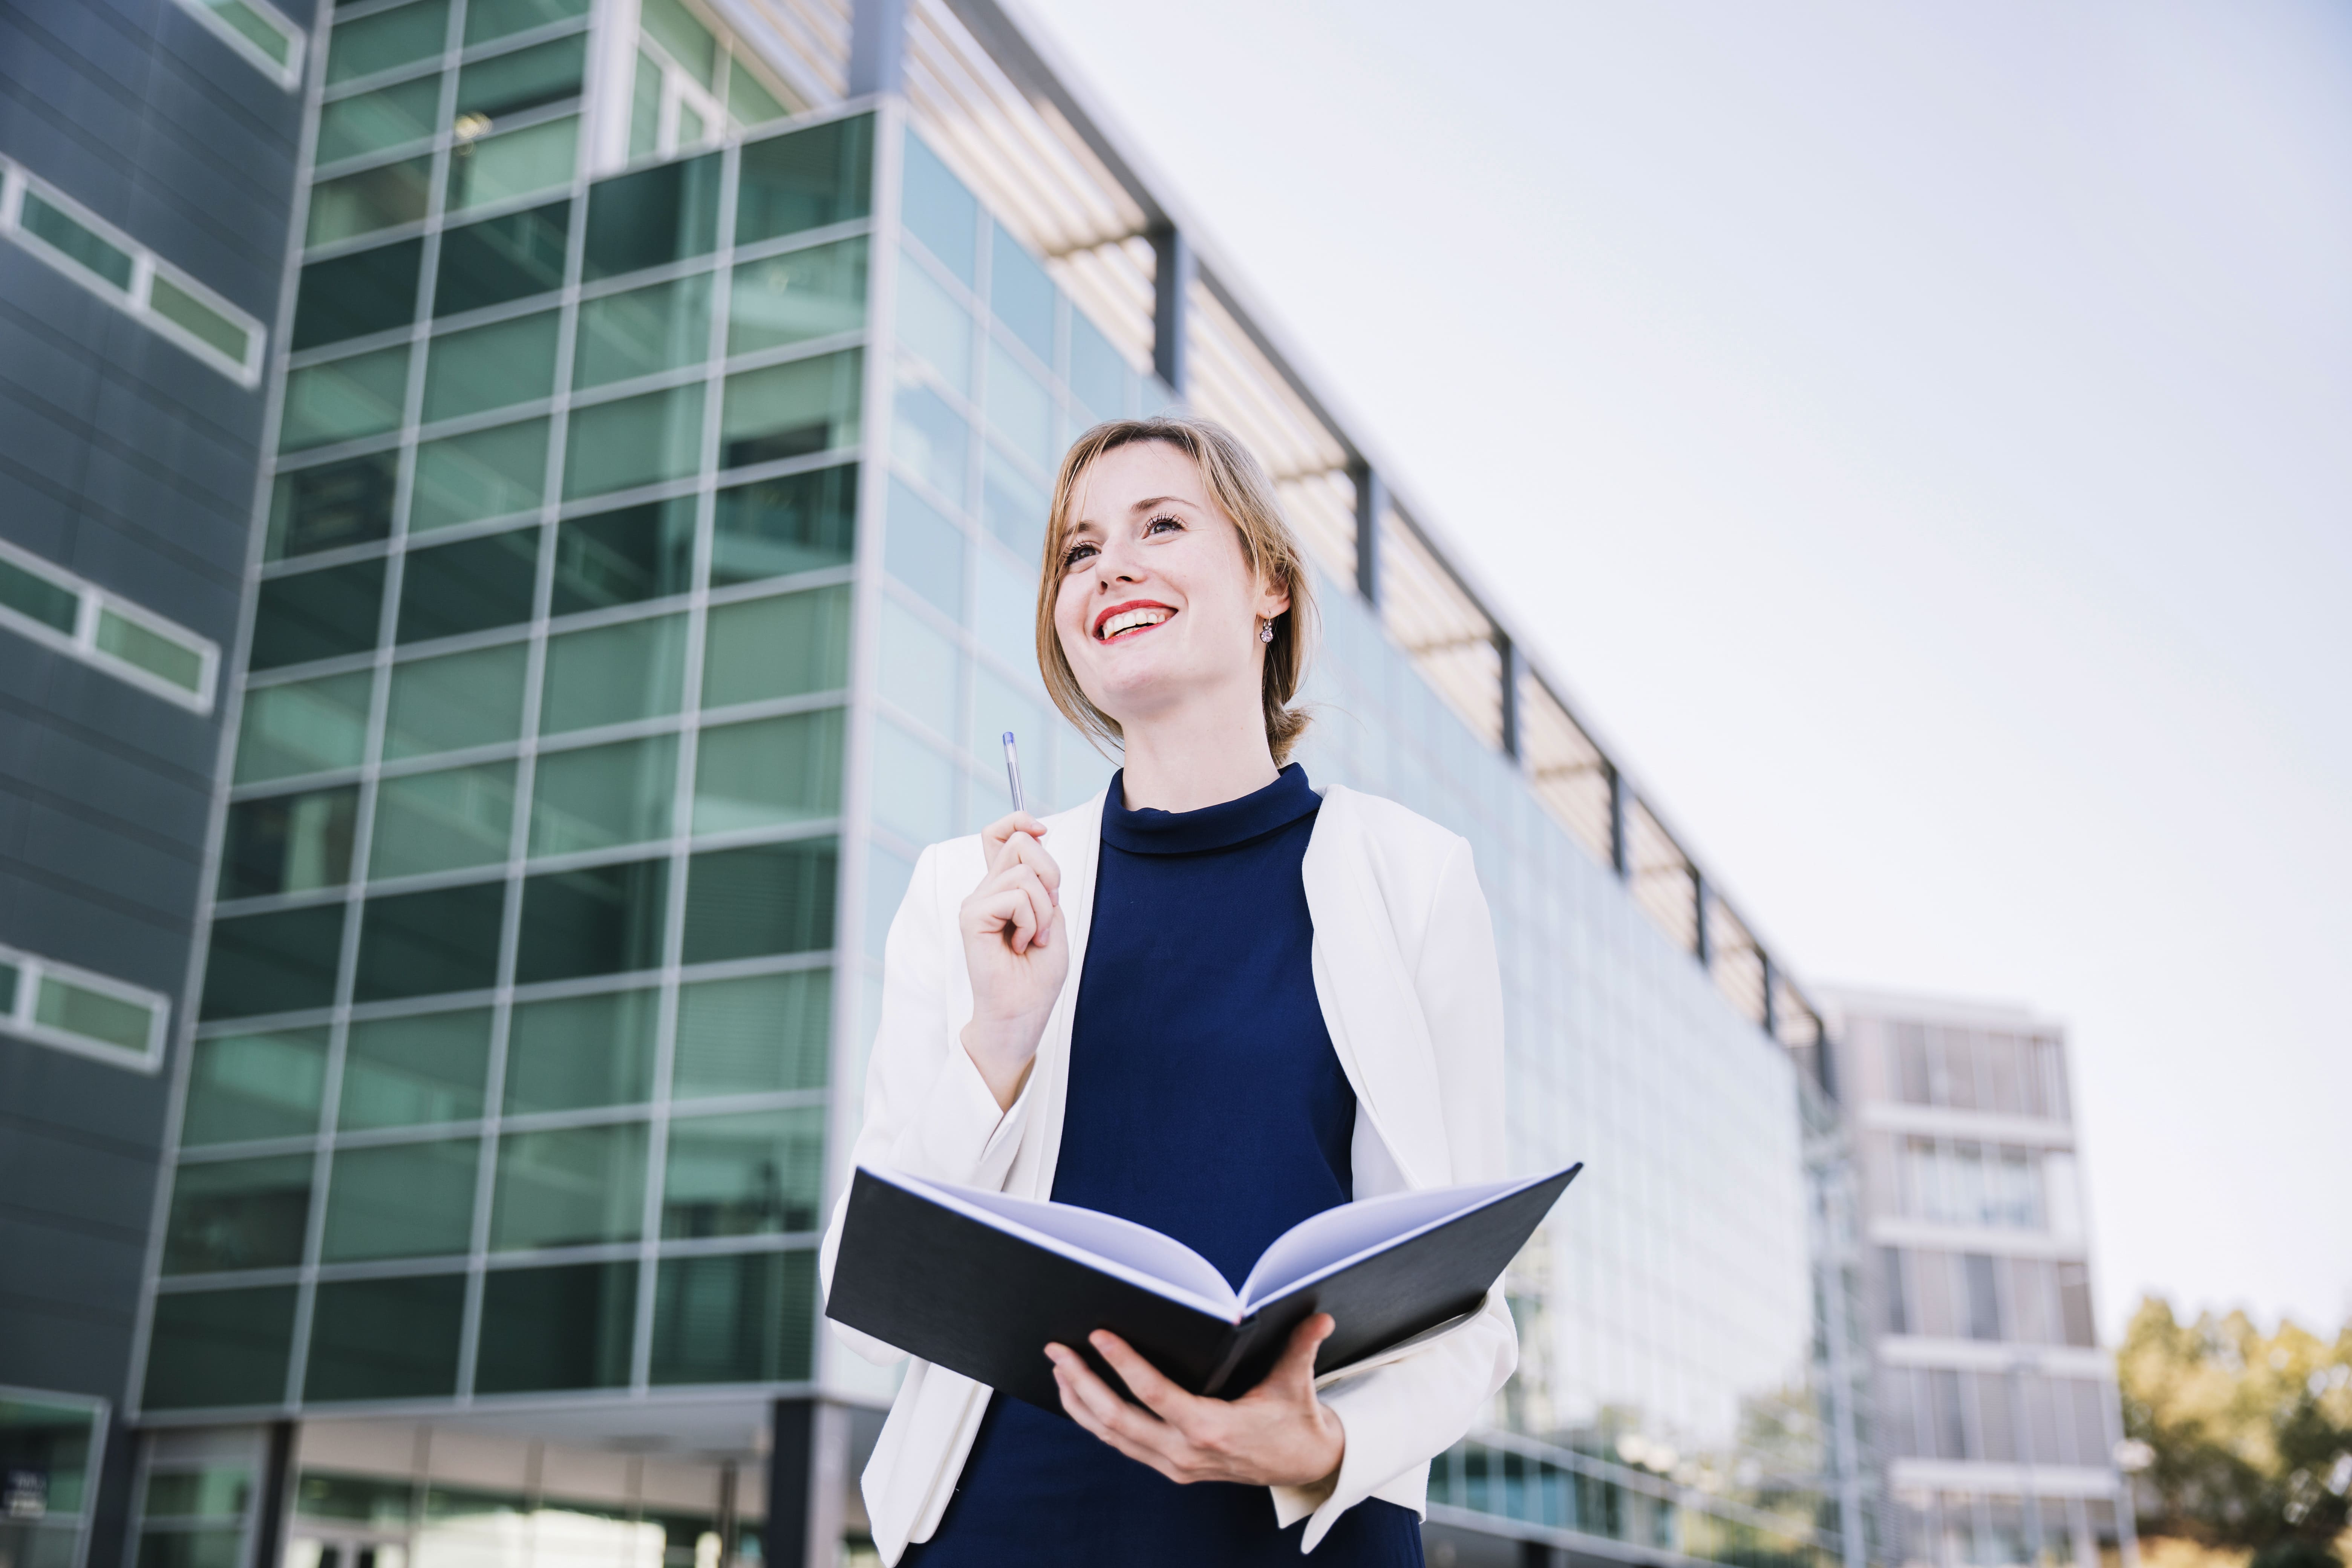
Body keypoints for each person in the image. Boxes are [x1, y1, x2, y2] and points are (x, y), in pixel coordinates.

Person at [819, 415, 1514, 1565]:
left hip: (1303, 1533)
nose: (1112, 568)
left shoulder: (1414, 879)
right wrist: (999, 1035)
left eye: (1162, 525)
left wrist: (1326, 1443)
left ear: (1270, 585)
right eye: (1078, 551)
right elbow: (866, 1284)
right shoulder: (976, 893)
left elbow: (1467, 1303)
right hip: (1006, 1530)